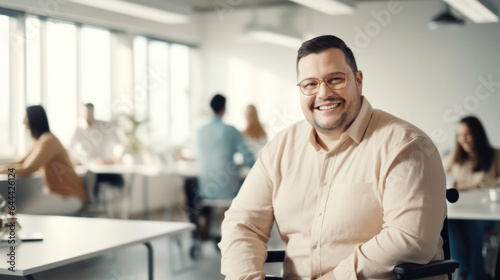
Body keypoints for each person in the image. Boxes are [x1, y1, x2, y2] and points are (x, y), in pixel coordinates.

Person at [219, 35, 447, 279]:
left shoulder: (406, 146)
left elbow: (410, 238)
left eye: (335, 79)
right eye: (310, 84)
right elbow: (242, 224)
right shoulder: (280, 149)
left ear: (358, 81)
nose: (323, 93)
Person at [0, 105, 87, 215]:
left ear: (35, 120)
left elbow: (29, 168)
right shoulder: (38, 141)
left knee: (23, 213)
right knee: (19, 210)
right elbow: (21, 162)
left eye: (26, 118)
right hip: (55, 193)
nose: (23, 122)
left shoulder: (48, 140)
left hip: (69, 195)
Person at [443, 116, 500, 280]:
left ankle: (475, 275)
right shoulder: (455, 158)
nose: (463, 140)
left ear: (477, 134)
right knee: (450, 222)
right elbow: (436, 173)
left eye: (467, 134)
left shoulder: (496, 155)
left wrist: (480, 184)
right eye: (459, 135)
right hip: (463, 212)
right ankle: (464, 270)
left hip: (487, 216)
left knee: (472, 222)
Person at [197, 94, 255, 199]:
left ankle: (209, 215)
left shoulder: (200, 131)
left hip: (206, 189)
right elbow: (249, 159)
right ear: (224, 108)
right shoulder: (231, 130)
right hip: (228, 188)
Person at [68, 103, 124, 203]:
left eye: (89, 112)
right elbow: (69, 149)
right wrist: (73, 161)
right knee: (88, 186)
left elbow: (119, 145)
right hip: (89, 171)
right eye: (85, 113)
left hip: (107, 168)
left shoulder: (105, 126)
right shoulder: (78, 129)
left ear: (93, 111)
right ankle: (91, 207)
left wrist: (115, 158)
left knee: (120, 184)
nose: (87, 116)